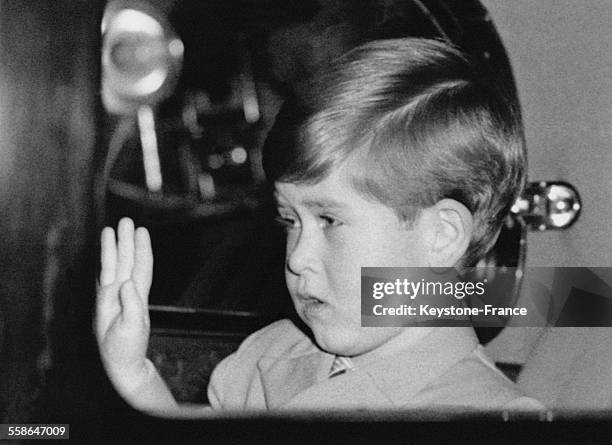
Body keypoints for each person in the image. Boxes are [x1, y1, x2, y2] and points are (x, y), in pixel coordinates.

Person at [95, 38, 543, 417]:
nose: (297, 257)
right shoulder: (263, 358)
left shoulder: (493, 419)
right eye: (290, 220)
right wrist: (136, 378)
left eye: (329, 220)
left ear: (441, 236)